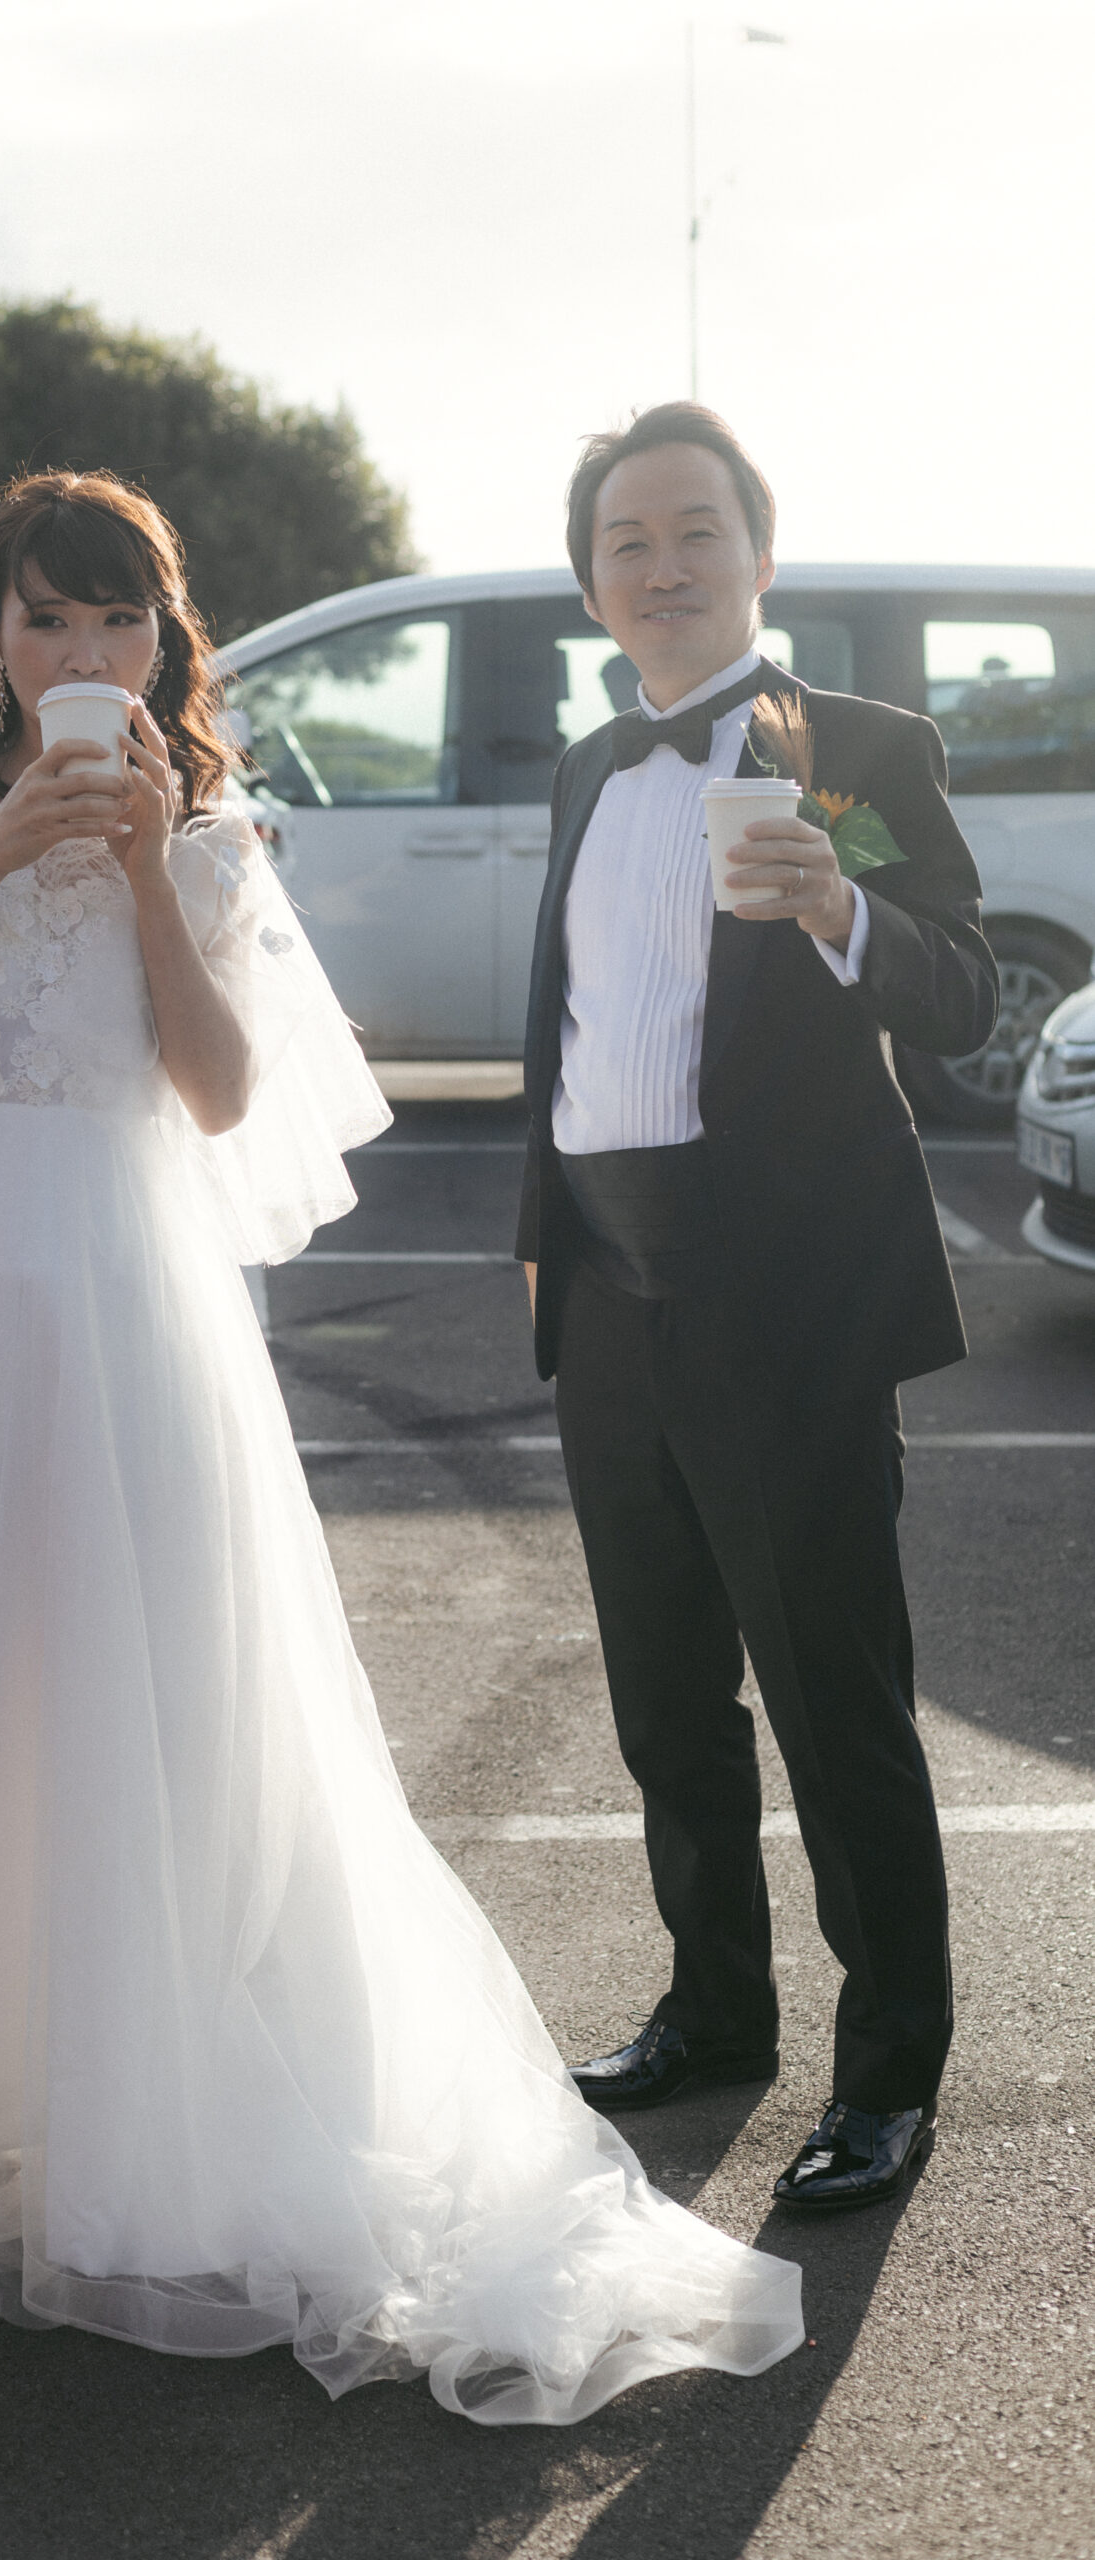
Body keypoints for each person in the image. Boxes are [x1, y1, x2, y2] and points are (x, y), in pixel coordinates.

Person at [0, 466, 802, 2424]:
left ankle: (136, 2130)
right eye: (44, 621)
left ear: (166, 647)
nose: (82, 658)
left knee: (151, 1712)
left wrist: (152, 869)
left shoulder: (219, 832)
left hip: (132, 1322)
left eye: (118, 626)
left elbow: (222, 1087)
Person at [515, 405, 999, 2211]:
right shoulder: (583, 768)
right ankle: (716, 2014)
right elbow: (571, 1033)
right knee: (665, 1703)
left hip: (785, 1300)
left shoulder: (865, 750)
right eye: (628, 539)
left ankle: (889, 2074)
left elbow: (955, 989)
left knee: (833, 1698)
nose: (664, 563)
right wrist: (549, 1256)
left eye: (696, 528)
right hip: (611, 1301)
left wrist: (843, 912)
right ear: (592, 584)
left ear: (759, 553)